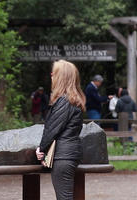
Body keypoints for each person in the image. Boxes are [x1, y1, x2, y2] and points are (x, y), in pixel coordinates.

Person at [36, 60, 85, 200]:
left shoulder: (64, 101)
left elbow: (52, 128)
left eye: (54, 73)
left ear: (61, 77)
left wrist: (41, 149)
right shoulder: (73, 100)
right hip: (69, 153)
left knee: (64, 197)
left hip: (63, 156)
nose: (51, 75)